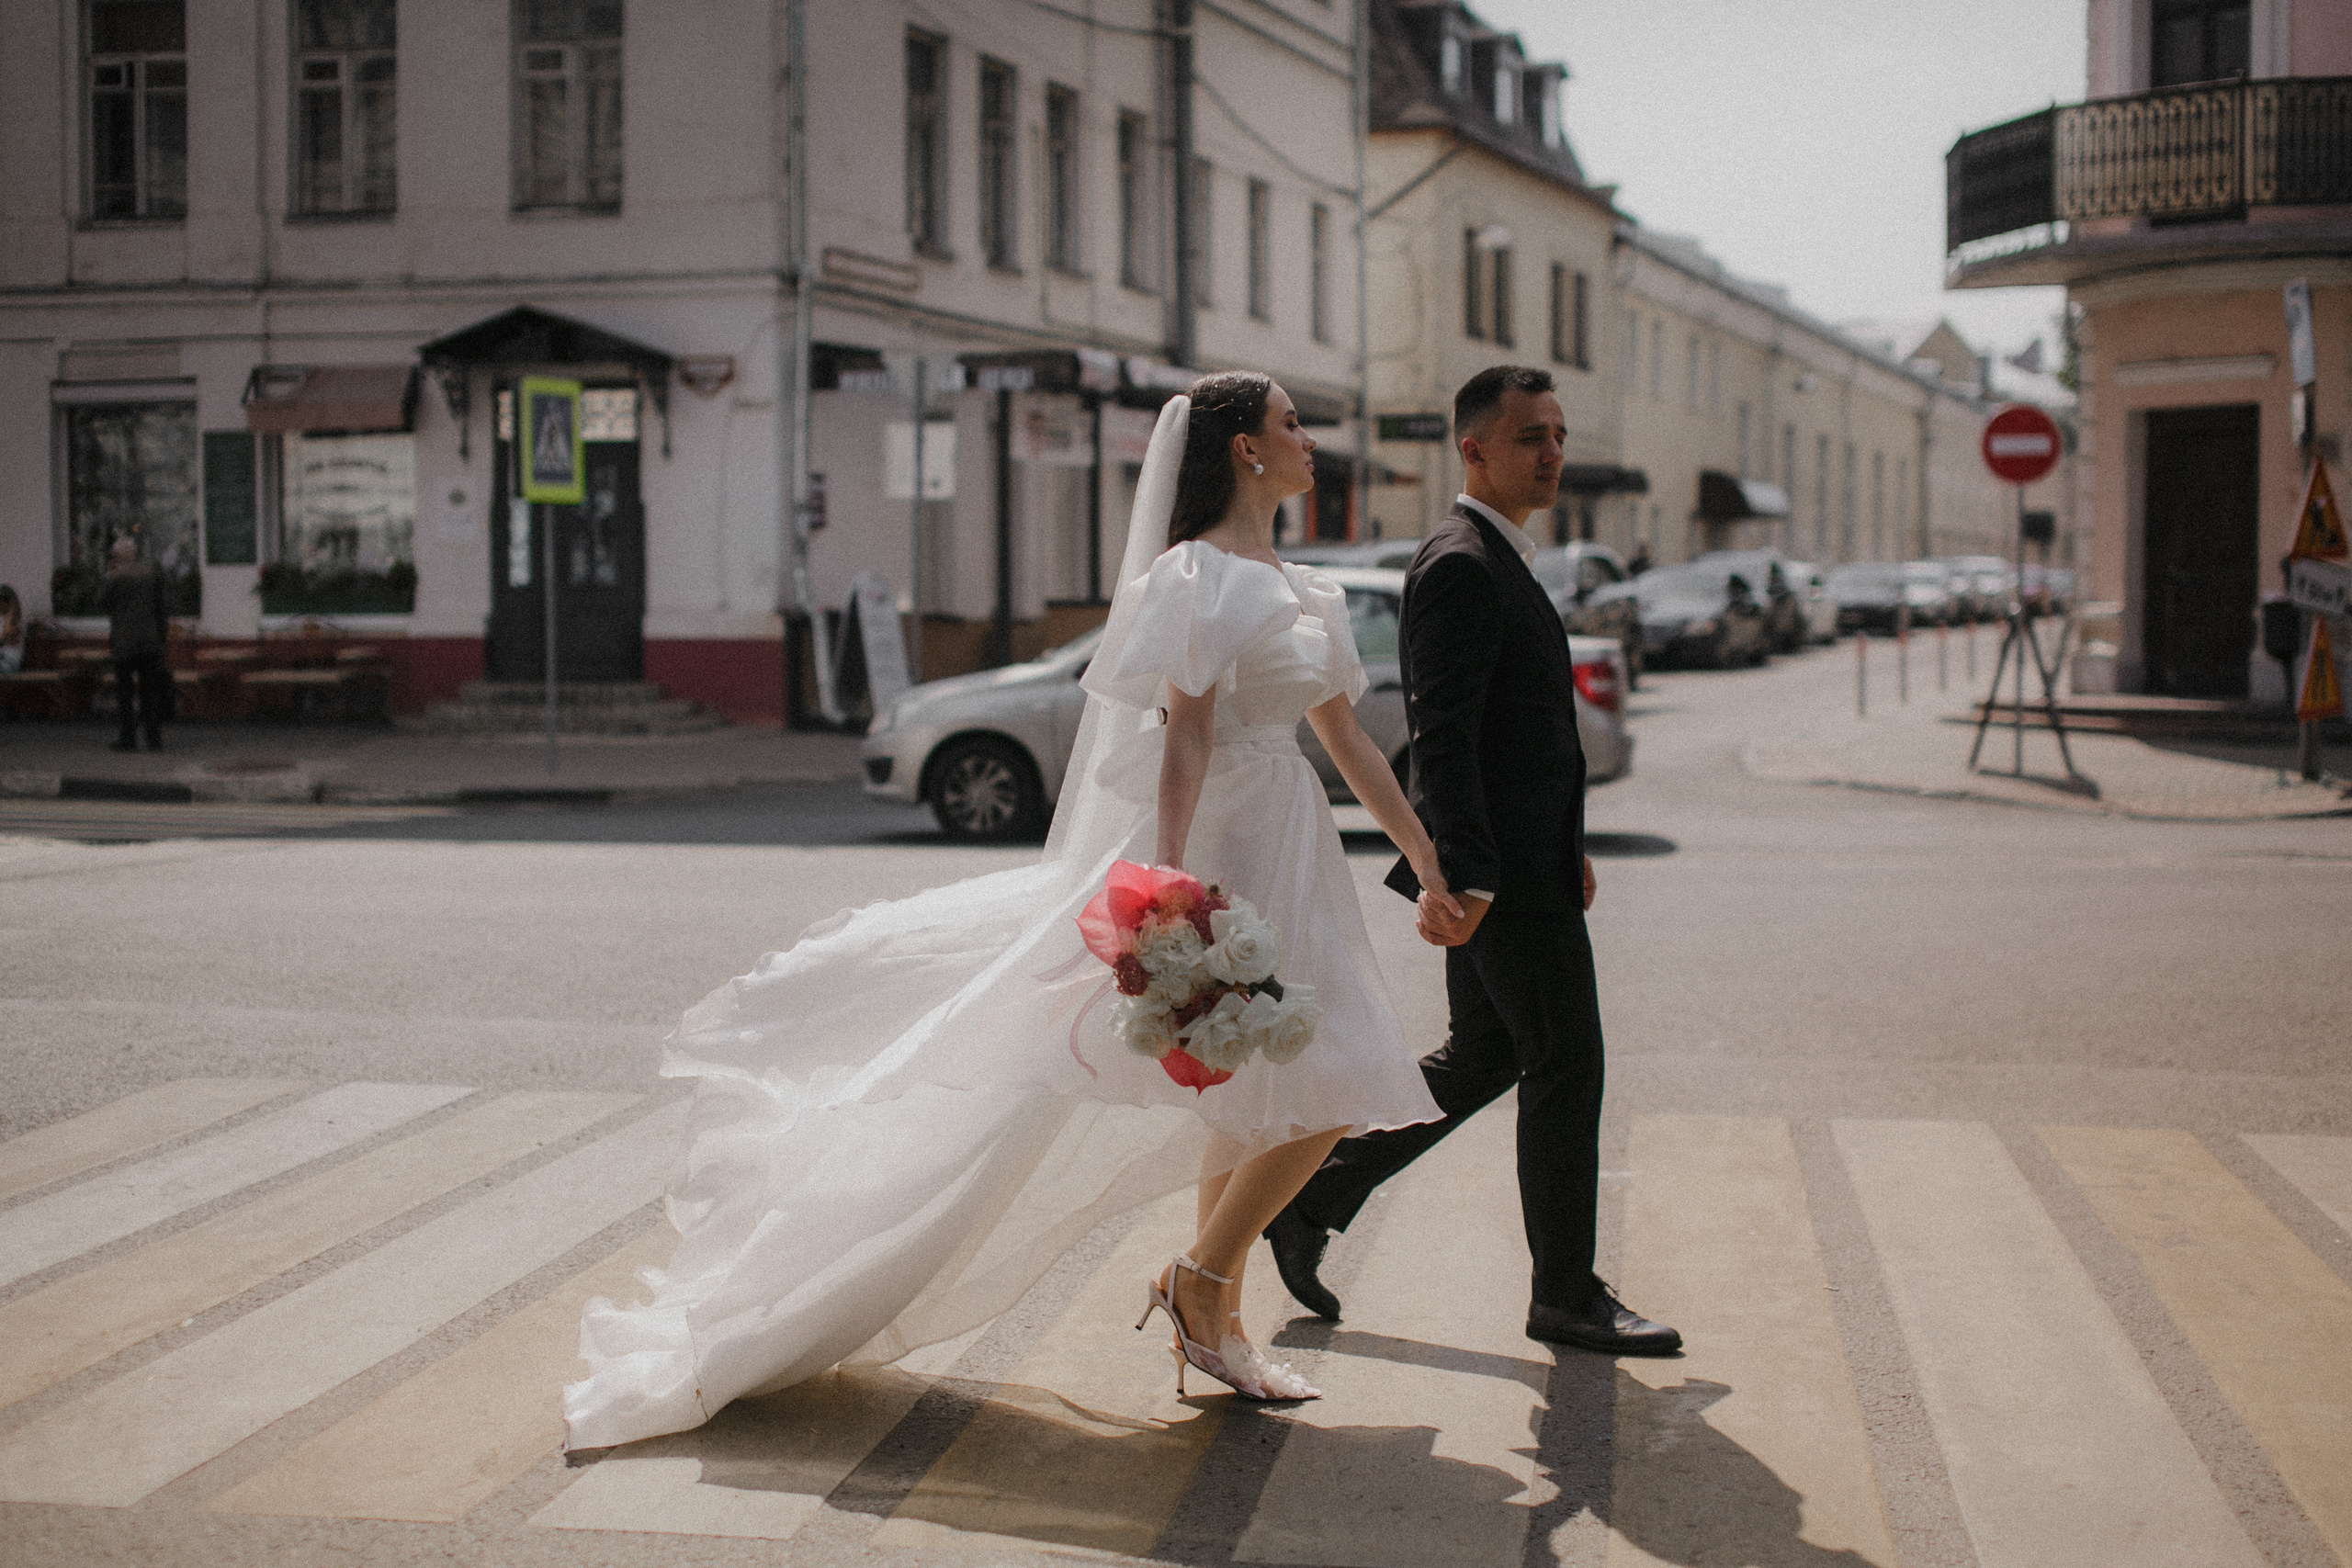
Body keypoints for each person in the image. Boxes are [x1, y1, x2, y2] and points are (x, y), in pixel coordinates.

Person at [562, 373, 1446, 1450]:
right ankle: (1201, 1281)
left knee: (1259, 1089)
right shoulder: (1195, 577)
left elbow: (1348, 742)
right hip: (1222, 842)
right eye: (1291, 424)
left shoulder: (1308, 592)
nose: (1310, 440)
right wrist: (1169, 885)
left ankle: (1212, 1313)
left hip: (1294, 839)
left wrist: (1425, 859)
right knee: (1328, 1079)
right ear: (1244, 451)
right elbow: (1184, 732)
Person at [1262, 366, 1681, 1358]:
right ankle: (1564, 1294)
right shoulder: (1460, 563)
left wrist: (1567, 844)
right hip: (1503, 881)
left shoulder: (1500, 557)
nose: (1552, 453)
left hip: (1527, 863)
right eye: (1532, 436)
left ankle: (1310, 1195)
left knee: (1486, 1055)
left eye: (1558, 435)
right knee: (1566, 1063)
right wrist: (1468, 877)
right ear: (1474, 449)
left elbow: (1521, 733)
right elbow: (1441, 737)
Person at [96, 538, 170, 752]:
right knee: (150, 692)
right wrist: (161, 639)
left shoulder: (117, 577)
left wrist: (108, 577)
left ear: (117, 556)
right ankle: (153, 738)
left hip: (124, 643)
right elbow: (162, 609)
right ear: (135, 554)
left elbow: (100, 602)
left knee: (125, 693)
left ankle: (128, 739)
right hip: (149, 642)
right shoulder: (151, 575)